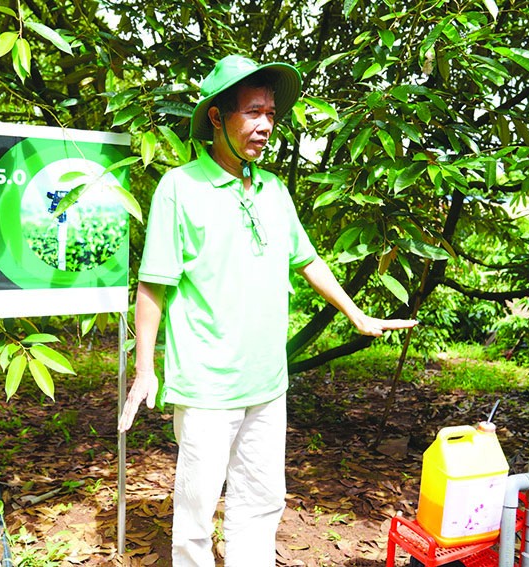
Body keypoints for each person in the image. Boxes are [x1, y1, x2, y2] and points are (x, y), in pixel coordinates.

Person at [118, 54, 418, 567]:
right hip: (208, 386)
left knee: (261, 503)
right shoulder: (180, 189)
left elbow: (308, 259)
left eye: (271, 114)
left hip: (268, 382)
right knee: (196, 515)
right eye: (253, 112)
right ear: (218, 117)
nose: (265, 126)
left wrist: (357, 315)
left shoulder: (274, 189)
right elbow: (153, 286)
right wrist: (145, 368)